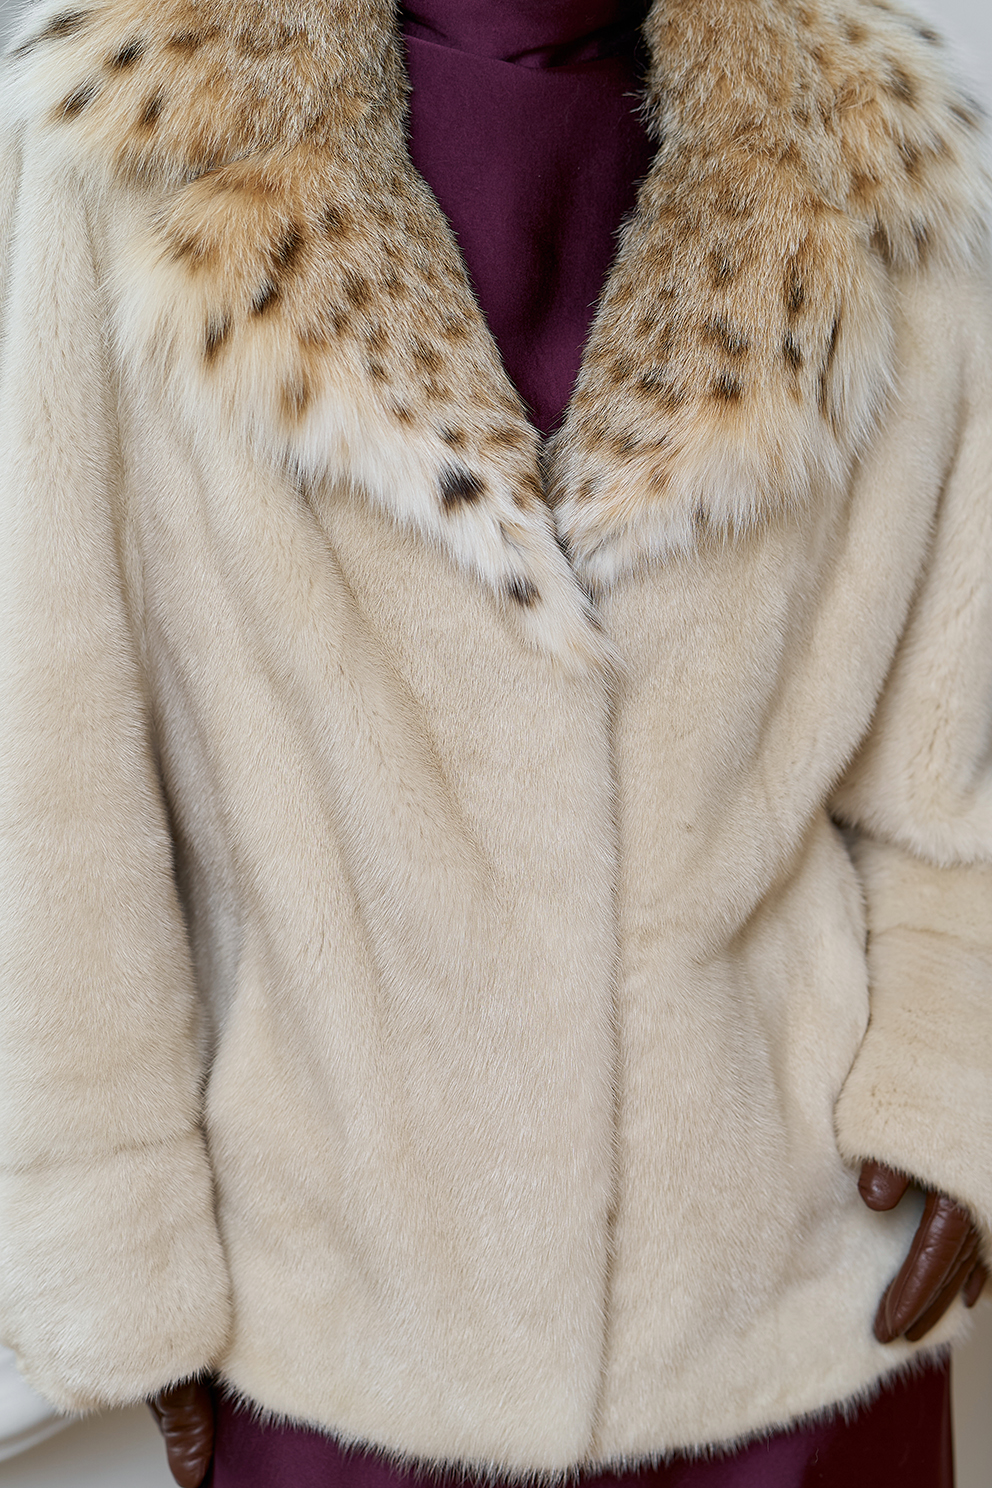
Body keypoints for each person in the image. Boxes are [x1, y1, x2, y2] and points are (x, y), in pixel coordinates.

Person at [0, 0, 989, 1485]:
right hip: (338, 1332)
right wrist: (106, 1226)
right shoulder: (135, 136)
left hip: (794, 1323)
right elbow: (56, 742)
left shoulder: (875, 147)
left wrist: (952, 1078)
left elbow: (955, 712)